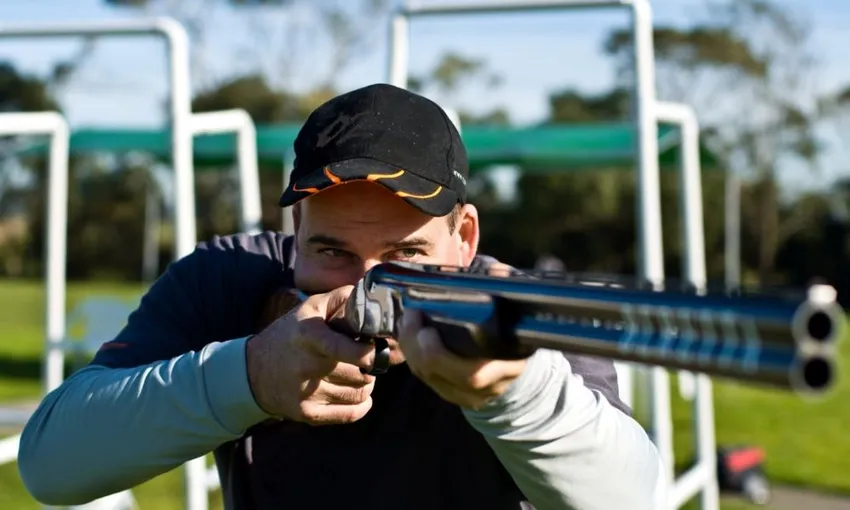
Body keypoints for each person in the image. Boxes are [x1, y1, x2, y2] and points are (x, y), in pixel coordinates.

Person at [17, 84, 666, 510]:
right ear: (296, 229)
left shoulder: (519, 311)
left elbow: (636, 498)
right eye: (333, 252)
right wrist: (250, 378)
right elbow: (50, 464)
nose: (365, 284)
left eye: (406, 255)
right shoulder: (232, 277)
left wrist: (513, 397)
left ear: (464, 238)